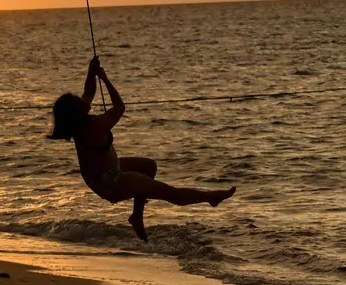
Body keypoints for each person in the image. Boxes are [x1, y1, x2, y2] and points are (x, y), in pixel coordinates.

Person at [50, 55, 235, 241]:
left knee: (148, 166)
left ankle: (137, 216)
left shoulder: (77, 124)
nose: (84, 101)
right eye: (79, 102)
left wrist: (92, 71)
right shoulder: (94, 127)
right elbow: (119, 107)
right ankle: (210, 197)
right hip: (112, 182)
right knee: (172, 194)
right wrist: (105, 79)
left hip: (103, 174)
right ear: (77, 111)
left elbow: (88, 92)